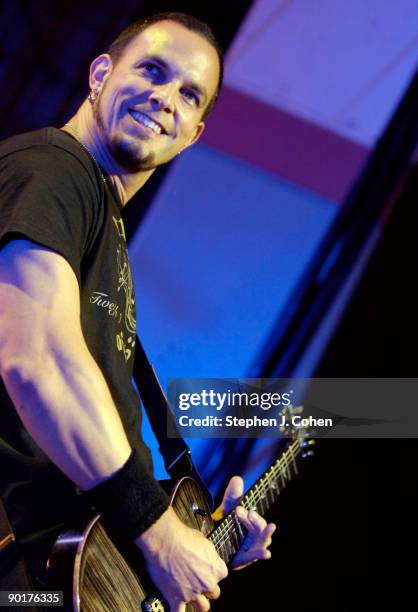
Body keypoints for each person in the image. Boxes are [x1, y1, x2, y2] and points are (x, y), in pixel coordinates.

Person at [0, 12, 275, 611]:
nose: (165, 98)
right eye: (152, 69)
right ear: (100, 72)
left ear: (193, 133)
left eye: (189, 93)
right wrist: (157, 531)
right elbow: (37, 362)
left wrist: (199, 542)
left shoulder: (103, 218)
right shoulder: (56, 170)